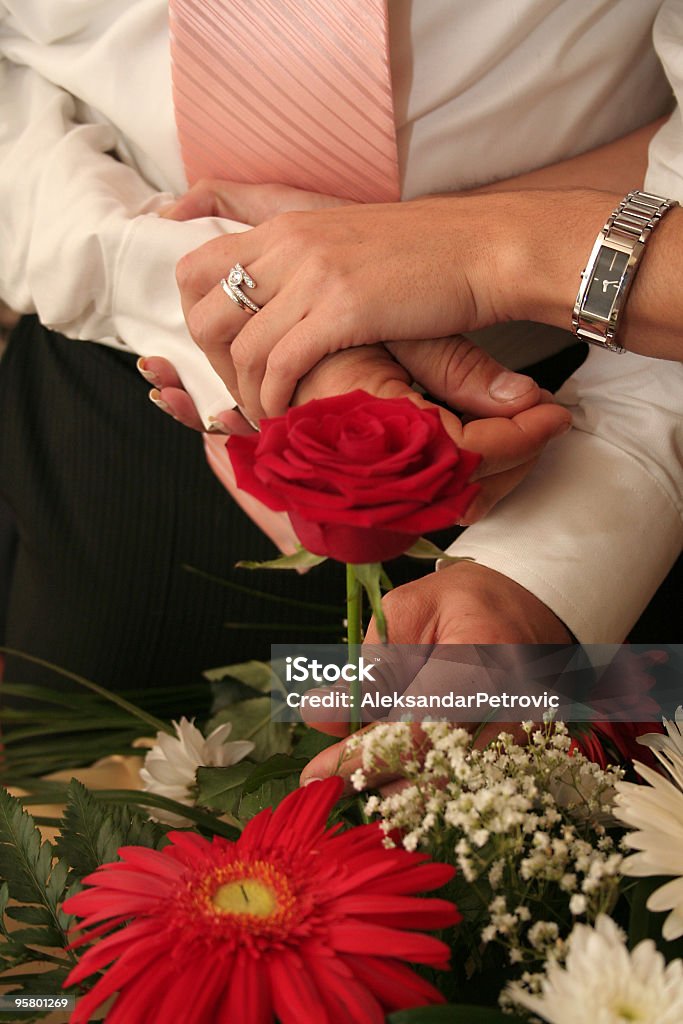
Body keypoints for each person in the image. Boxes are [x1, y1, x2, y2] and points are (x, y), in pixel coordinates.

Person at [0, 0, 680, 703]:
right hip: (128, 433)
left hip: (599, 405)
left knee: (577, 793)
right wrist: (216, 294)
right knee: (106, 787)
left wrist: (559, 561)